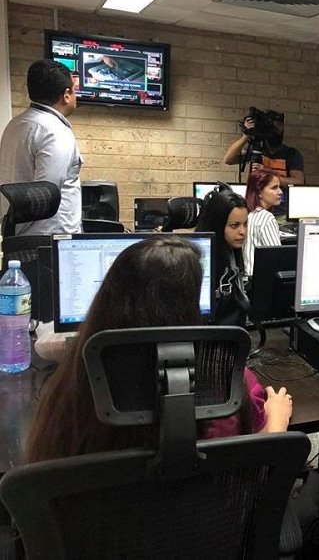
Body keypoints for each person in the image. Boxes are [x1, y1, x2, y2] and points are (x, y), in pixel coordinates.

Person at [25, 236, 292, 463]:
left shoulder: (71, 389)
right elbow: (256, 469)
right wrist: (277, 424)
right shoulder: (225, 384)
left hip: (106, 523)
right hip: (206, 520)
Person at [0, 59, 82, 235]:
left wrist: (12, 232)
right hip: (49, 240)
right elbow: (45, 197)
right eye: (74, 90)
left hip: (19, 234)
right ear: (66, 94)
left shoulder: (15, 124)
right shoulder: (55, 132)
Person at [223, 109, 304, 218]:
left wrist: (270, 173)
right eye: (275, 126)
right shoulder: (255, 149)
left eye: (280, 126)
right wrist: (246, 135)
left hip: (282, 212)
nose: (277, 130)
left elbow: (298, 181)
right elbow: (228, 159)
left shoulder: (290, 154)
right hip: (255, 210)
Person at [195, 189, 250, 326]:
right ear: (217, 225)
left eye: (245, 224)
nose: (242, 232)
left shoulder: (231, 250)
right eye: (234, 225)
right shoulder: (203, 259)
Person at [243, 169, 282, 276]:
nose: (280, 192)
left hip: (246, 280)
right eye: (274, 188)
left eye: (279, 187)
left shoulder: (247, 214)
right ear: (259, 192)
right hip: (261, 283)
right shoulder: (267, 218)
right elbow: (277, 259)